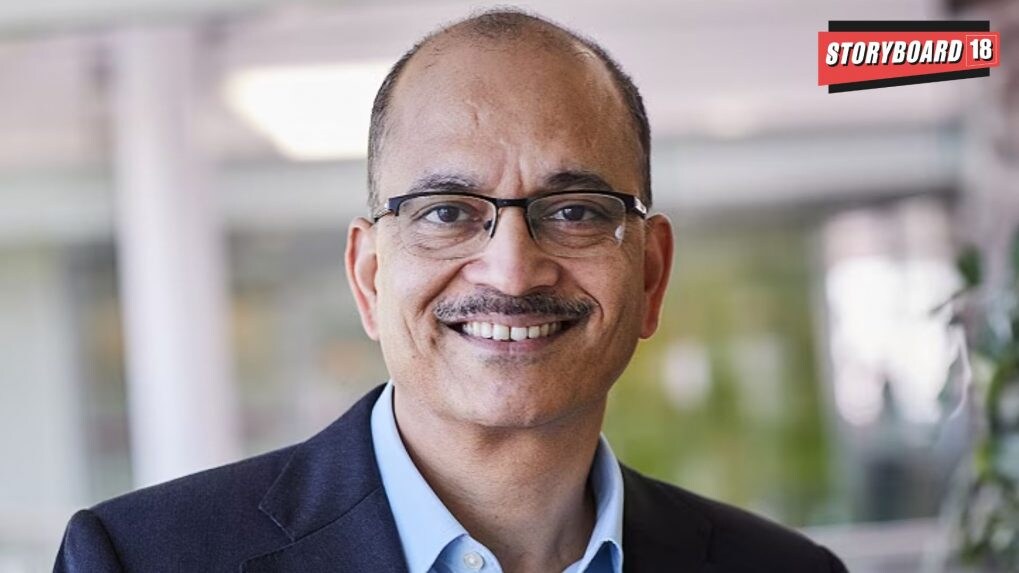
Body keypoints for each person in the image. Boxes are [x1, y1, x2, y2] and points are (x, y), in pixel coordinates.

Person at [55, 9, 847, 573]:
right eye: (445, 212)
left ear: (649, 274)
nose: (511, 270)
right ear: (369, 275)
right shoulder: (143, 558)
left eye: (574, 211)